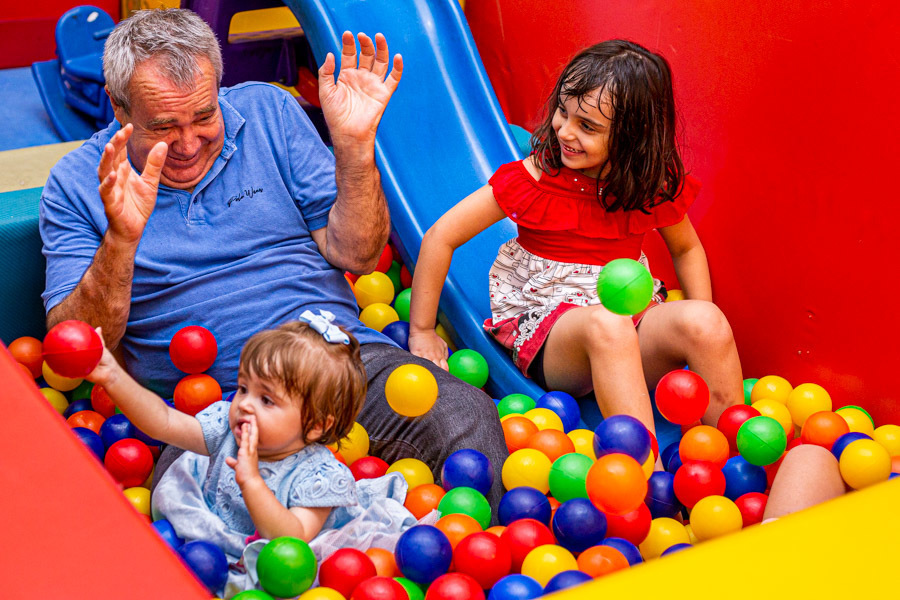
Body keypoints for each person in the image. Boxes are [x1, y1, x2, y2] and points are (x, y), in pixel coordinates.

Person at [39, 9, 507, 509]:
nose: (189, 143)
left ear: (220, 86)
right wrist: (122, 240)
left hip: (341, 367)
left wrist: (353, 147)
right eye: (164, 127)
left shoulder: (269, 112)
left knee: (467, 416)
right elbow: (76, 349)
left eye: (204, 115)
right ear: (118, 107)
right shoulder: (76, 184)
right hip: (213, 408)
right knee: (177, 511)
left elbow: (361, 255)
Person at [409, 40, 743, 440]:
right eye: (562, 113)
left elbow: (686, 248)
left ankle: (736, 456)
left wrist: (691, 327)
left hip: (628, 324)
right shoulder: (533, 180)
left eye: (586, 126)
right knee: (608, 325)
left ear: (631, 138)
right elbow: (440, 237)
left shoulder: (646, 187)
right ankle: (645, 475)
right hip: (554, 335)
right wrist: (422, 331)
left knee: (708, 321)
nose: (565, 131)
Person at [88, 312, 420, 594]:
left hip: (291, 565)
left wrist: (251, 480)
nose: (244, 403)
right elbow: (163, 422)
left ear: (316, 425)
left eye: (266, 400)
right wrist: (115, 378)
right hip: (222, 537)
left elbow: (289, 539)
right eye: (244, 388)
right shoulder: (228, 430)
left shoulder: (321, 478)